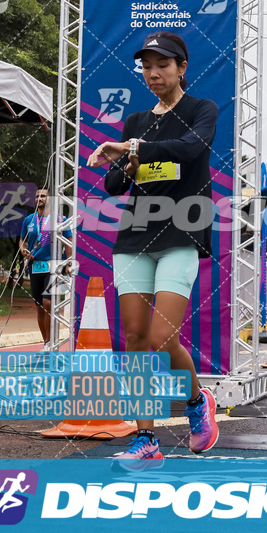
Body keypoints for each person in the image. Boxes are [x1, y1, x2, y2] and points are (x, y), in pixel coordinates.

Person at [87, 32, 219, 469]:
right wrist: (124, 160)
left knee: (163, 338)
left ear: (182, 68)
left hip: (182, 231)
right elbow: (115, 185)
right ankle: (146, 440)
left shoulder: (202, 110)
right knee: (137, 341)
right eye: (146, 65)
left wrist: (135, 148)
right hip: (134, 237)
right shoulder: (135, 121)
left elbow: (191, 148)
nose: (153, 73)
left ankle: (198, 402)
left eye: (163, 64)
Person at [19, 189, 72, 352]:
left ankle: (53, 341)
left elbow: (69, 240)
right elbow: (22, 239)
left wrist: (68, 264)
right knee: (40, 306)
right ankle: (47, 342)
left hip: (54, 267)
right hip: (35, 266)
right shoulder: (29, 219)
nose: (39, 198)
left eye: (43, 196)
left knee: (48, 303)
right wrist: (23, 250)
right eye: (37, 196)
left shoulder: (59, 219)